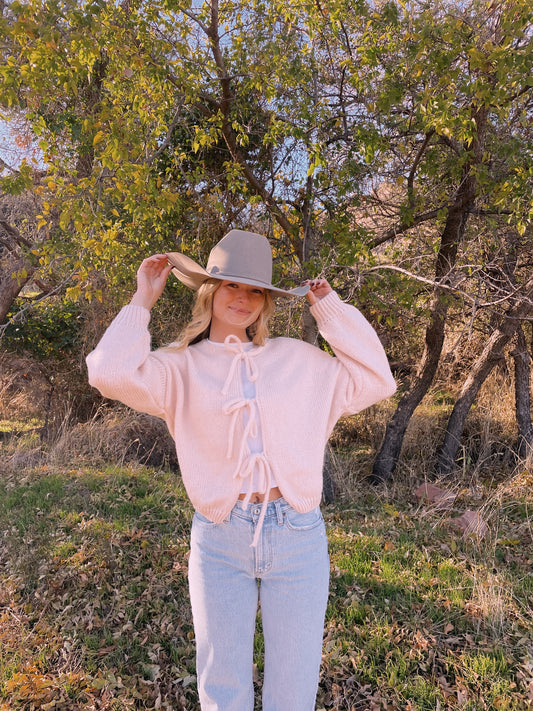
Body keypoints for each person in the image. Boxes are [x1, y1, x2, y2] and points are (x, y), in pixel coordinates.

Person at [86, 229, 396, 711]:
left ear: (266, 303)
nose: (243, 298)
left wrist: (330, 310)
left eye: (255, 290)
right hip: (219, 536)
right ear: (209, 289)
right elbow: (107, 373)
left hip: (297, 534)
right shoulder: (176, 368)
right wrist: (141, 300)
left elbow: (377, 379)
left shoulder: (297, 358)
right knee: (221, 688)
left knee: (292, 693)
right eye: (232, 285)